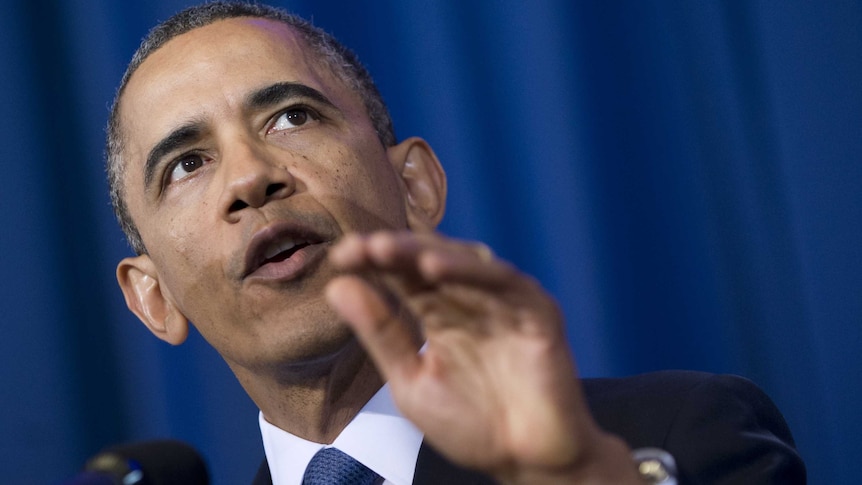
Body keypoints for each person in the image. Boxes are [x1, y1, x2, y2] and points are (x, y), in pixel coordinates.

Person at [107, 2, 805, 484]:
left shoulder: (676, 436)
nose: (252, 178)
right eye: (187, 164)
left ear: (415, 186)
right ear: (153, 298)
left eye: (292, 116)